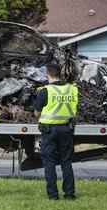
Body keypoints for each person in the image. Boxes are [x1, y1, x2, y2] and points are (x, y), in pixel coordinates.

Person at [34, 62, 78, 200]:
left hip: (49, 131)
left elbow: (37, 112)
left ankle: (53, 195)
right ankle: (69, 194)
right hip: (66, 129)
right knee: (66, 161)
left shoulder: (45, 91)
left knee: (49, 163)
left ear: (48, 74)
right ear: (60, 74)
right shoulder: (72, 89)